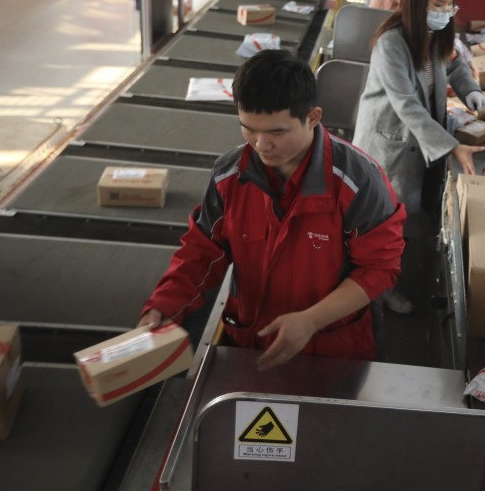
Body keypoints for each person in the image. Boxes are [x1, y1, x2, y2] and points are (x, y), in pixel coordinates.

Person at [137, 50, 406, 369]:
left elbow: (379, 269)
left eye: (277, 132)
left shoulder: (358, 182)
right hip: (250, 344)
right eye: (249, 128)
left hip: (333, 350)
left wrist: (310, 321)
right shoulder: (230, 176)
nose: (261, 144)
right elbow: (203, 251)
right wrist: (164, 305)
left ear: (313, 117)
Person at [353, 0, 485, 315]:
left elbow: (456, 65)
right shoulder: (391, 43)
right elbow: (406, 105)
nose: (445, 13)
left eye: (450, 5)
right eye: (438, 5)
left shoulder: (436, 35)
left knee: (411, 215)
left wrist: (472, 92)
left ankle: (389, 278)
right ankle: (378, 288)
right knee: (387, 221)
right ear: (417, 3)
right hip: (391, 142)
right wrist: (452, 146)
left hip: (423, 137)